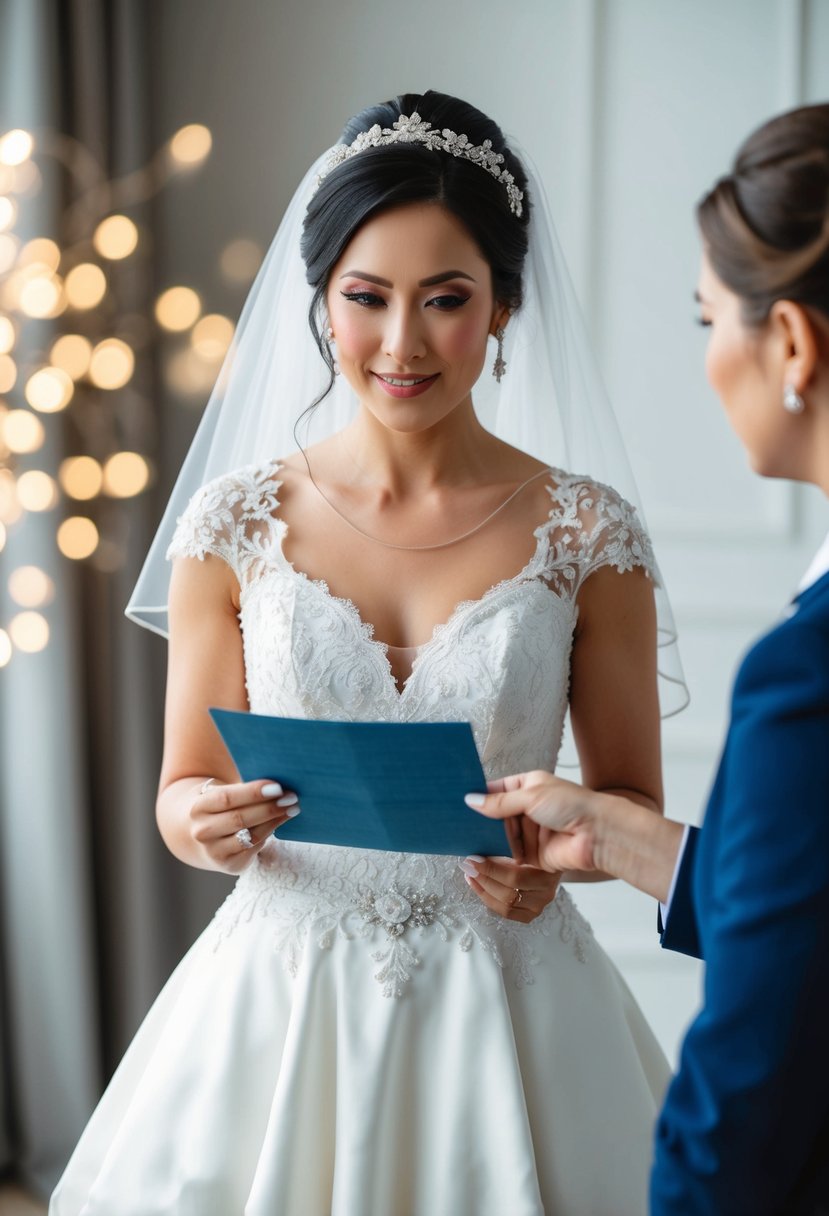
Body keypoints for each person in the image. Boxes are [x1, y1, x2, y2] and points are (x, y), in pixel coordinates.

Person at [51, 91, 687, 1216]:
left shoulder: (589, 532)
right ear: (321, 303)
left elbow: (628, 803)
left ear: (501, 308)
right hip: (280, 999)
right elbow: (178, 794)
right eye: (366, 298)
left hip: (511, 999)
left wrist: (550, 863)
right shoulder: (232, 524)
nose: (401, 343)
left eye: (446, 299)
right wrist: (201, 822)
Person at [469, 102, 829, 1216]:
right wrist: (650, 849)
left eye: (706, 315)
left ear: (793, 347)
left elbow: (751, 1086)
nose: (707, 355)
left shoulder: (805, 675)